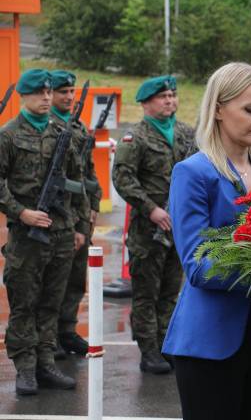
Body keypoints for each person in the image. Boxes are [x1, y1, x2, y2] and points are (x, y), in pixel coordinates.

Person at [162, 62, 251, 420]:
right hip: (211, 339)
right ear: (218, 109)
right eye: (250, 109)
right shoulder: (192, 173)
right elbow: (197, 266)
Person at [0, 69, 88, 395]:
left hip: (62, 233)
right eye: (40, 94)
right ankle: (25, 369)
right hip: (27, 237)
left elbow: (77, 182)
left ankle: (46, 363)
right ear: (24, 96)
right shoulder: (8, 135)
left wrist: (80, 227)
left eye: (50, 94)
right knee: (25, 303)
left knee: (52, 303)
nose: (47, 99)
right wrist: (21, 212)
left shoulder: (62, 132)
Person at [112, 76, 194, 374]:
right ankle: (148, 350)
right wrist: (151, 209)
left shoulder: (187, 134)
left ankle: (166, 344)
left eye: (173, 95)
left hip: (179, 227)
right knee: (147, 291)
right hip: (149, 229)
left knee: (172, 290)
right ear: (146, 103)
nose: (170, 101)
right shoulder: (135, 137)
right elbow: (123, 178)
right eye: (163, 97)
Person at [49, 70, 102, 358]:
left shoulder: (78, 127)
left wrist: (93, 206)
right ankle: (49, 336)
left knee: (75, 278)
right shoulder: (49, 127)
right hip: (60, 214)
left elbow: (88, 173)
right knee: (54, 280)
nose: (69, 97)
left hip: (82, 213)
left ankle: (67, 330)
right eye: (63, 92)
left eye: (71, 92)